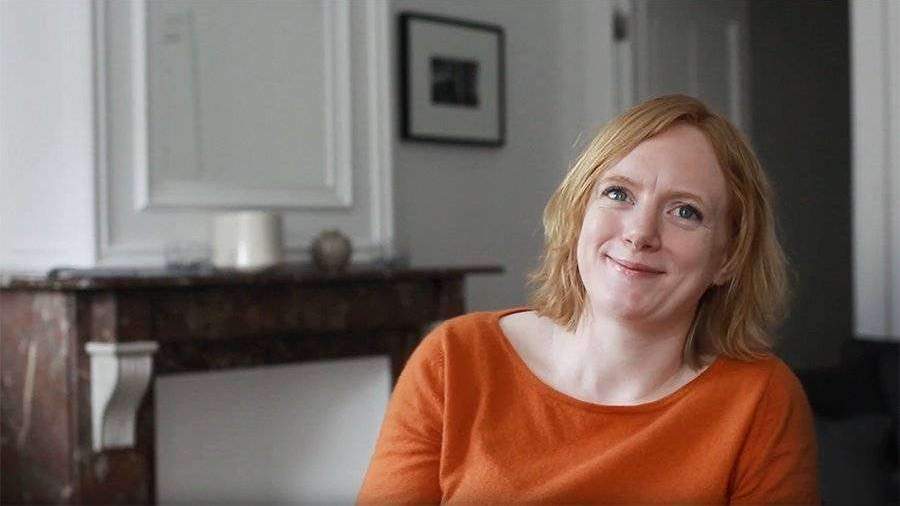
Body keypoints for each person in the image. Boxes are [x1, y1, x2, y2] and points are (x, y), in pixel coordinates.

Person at [357, 95, 820, 504]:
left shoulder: (760, 399)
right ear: (578, 214)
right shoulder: (454, 359)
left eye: (685, 211)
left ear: (728, 258)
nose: (640, 233)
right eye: (618, 193)